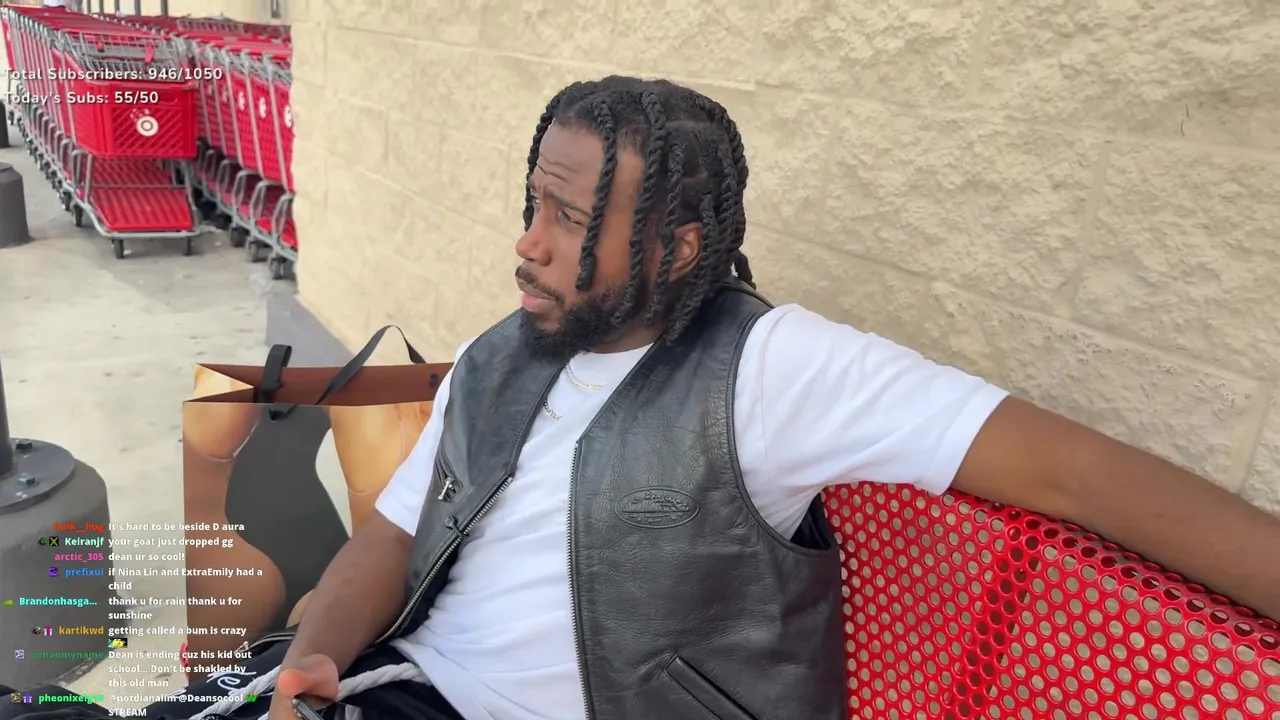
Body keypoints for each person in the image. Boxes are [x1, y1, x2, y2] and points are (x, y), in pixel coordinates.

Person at [5, 76, 1279, 720]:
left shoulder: (769, 370)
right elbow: (388, 535)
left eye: (567, 220)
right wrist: (315, 659)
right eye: (532, 205)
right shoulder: (503, 353)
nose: (526, 245)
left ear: (675, 246)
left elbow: (1080, 474)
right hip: (399, 688)